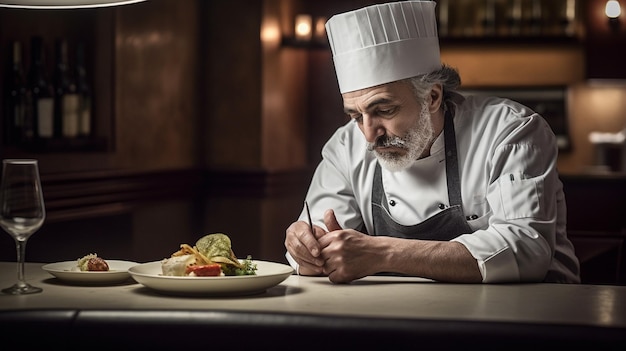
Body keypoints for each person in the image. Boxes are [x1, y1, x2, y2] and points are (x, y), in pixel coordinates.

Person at [284, 1, 580, 284]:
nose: (370, 134)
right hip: (401, 319)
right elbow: (319, 239)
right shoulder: (345, 147)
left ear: (433, 97)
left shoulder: (510, 132)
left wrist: (383, 253)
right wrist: (306, 248)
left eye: (384, 110)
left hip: (530, 318)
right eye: (356, 116)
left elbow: (526, 249)